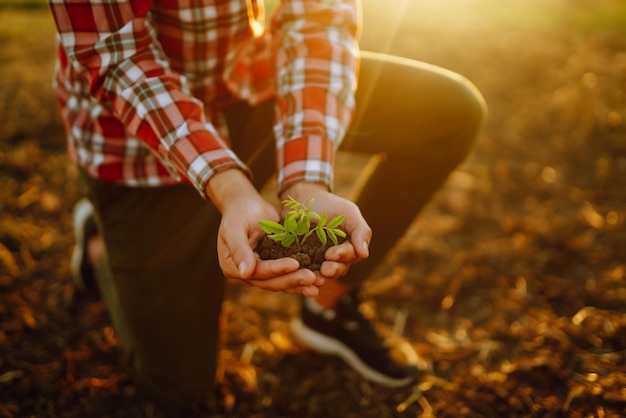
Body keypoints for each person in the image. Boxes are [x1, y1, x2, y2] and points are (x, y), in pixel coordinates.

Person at [49, 0, 486, 410]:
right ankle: (98, 248)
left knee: (448, 112)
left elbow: (318, 22)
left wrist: (307, 181)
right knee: (179, 388)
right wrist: (231, 188)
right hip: (138, 146)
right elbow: (116, 56)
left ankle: (327, 304)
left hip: (251, 85)